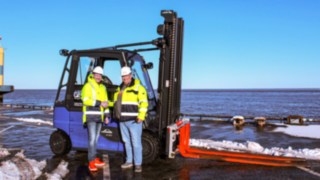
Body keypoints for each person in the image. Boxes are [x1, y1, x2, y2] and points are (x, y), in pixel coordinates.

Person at [113, 66, 148, 173]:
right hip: (122, 120)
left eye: (126, 76)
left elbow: (144, 103)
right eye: (123, 76)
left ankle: (138, 164)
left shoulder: (139, 87)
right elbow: (116, 103)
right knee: (126, 142)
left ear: (131, 75)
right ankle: (129, 161)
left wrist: (141, 116)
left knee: (136, 143)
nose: (125, 78)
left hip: (134, 121)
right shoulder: (120, 89)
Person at [81, 66, 109, 172]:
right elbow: (85, 100)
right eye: (96, 74)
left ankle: (94, 158)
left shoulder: (103, 88)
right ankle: (91, 161)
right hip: (91, 116)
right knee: (92, 140)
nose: (98, 76)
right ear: (93, 75)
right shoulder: (87, 86)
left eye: (100, 75)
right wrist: (99, 103)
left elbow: (105, 103)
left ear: (101, 76)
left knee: (96, 139)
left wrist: (107, 116)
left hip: (100, 117)